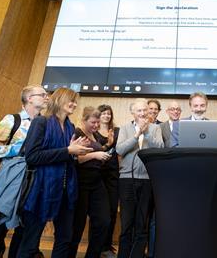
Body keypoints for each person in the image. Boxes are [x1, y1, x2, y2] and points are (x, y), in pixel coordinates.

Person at [17, 88, 92, 258]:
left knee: (64, 239)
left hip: (67, 191)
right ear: (59, 100)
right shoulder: (41, 122)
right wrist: (68, 150)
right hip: (41, 190)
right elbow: (32, 157)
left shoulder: (70, 126)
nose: (74, 104)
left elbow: (67, 157)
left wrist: (76, 152)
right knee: (30, 242)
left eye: (75, 101)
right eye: (70, 100)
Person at [0, 85, 48, 258]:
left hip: (32, 184)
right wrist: (23, 149)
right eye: (42, 94)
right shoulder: (12, 119)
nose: (47, 97)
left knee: (23, 231)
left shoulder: (46, 122)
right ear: (29, 98)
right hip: (9, 182)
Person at [116, 98, 164, 258]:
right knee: (126, 223)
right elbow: (120, 149)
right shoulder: (124, 128)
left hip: (147, 181)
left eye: (145, 110)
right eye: (139, 110)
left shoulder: (156, 128)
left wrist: (147, 132)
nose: (143, 113)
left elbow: (160, 148)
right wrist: (137, 135)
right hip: (126, 180)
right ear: (133, 112)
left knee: (142, 223)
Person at [69, 107, 113, 258]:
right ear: (84, 120)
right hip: (81, 181)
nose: (96, 126)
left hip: (96, 181)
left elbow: (98, 150)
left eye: (98, 123)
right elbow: (76, 158)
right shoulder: (77, 133)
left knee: (103, 221)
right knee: (77, 226)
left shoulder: (94, 135)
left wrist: (107, 146)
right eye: (93, 122)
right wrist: (95, 155)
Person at [97, 104, 120, 258]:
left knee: (112, 211)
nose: (106, 116)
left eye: (108, 114)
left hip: (113, 176)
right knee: (100, 213)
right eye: (103, 113)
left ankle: (107, 245)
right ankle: (98, 245)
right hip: (97, 176)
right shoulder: (93, 131)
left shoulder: (116, 131)